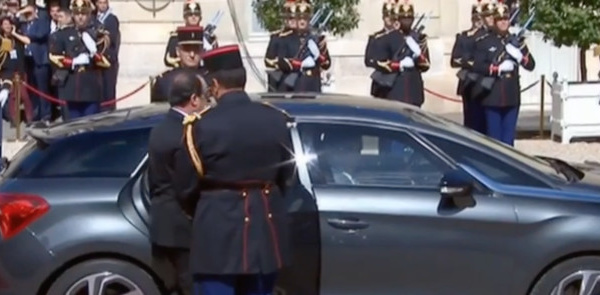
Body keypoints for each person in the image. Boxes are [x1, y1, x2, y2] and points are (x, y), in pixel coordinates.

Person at [173, 44, 295, 295]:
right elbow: (287, 178)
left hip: (216, 235)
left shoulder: (200, 126)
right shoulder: (276, 119)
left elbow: (185, 188)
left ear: (214, 84)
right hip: (264, 232)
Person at [148, 69, 209, 295]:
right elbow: (189, 183)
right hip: (183, 224)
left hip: (162, 223)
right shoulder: (188, 132)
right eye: (204, 98)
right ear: (194, 99)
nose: (205, 103)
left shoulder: (160, 128)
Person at [471, 0, 535, 145]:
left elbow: (531, 65)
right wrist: (497, 68)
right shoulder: (485, 41)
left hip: (512, 95)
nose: (503, 22)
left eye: (505, 19)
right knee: (494, 141)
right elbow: (478, 66)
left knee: (509, 141)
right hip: (492, 96)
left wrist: (520, 56)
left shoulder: (516, 41)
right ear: (494, 21)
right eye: (500, 19)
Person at [48, 0, 110, 120]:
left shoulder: (98, 35)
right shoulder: (63, 35)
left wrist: (94, 53)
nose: (80, 17)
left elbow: (107, 62)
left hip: (91, 88)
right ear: (73, 15)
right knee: (71, 129)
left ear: (89, 15)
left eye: (84, 14)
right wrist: (74, 62)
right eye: (77, 14)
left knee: (91, 128)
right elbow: (53, 57)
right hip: (71, 88)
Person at [372, 0, 430, 107]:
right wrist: (400, 64)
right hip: (395, 90)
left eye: (409, 18)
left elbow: (426, 65)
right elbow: (381, 63)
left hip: (414, 91)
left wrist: (419, 55)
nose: (407, 21)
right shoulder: (389, 38)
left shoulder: (419, 38)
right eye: (404, 18)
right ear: (398, 19)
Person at [275, 0, 331, 92]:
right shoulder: (286, 39)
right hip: (296, 84)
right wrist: (299, 64)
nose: (302, 22)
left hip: (313, 84)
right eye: (299, 18)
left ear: (309, 20)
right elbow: (282, 62)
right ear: (296, 20)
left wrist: (321, 52)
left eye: (305, 19)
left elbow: (326, 64)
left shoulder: (316, 39)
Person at [450, 0, 485, 132]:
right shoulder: (463, 37)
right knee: (469, 119)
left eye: (481, 18)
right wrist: (468, 61)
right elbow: (454, 60)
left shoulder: (486, 37)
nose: (478, 21)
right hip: (467, 83)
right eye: (476, 18)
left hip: (481, 82)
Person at [151, 26, 205, 103]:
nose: (192, 54)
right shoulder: (164, 81)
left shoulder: (211, 78)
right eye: (187, 49)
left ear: (202, 50)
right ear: (177, 51)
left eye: (196, 49)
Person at [163, 0, 218, 68]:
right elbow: (168, 60)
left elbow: (216, 60)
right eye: (190, 14)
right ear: (185, 18)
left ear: (200, 18)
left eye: (196, 14)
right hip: (183, 73)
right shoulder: (176, 37)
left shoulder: (210, 38)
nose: (193, 17)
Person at [21, 4, 51, 122]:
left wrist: (25, 36)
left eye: (30, 13)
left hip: (40, 61)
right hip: (29, 61)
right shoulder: (23, 25)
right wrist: (20, 13)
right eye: (26, 14)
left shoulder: (42, 22)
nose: (27, 16)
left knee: (42, 89)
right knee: (32, 90)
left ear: (35, 12)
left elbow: (40, 35)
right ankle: (36, 114)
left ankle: (46, 115)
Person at [0, 15, 32, 125]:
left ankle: (29, 118)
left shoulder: (17, 37)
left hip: (20, 70)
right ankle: (14, 120)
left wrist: (14, 33)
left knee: (24, 95)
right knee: (12, 96)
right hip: (6, 71)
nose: (7, 26)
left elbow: (28, 41)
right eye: (5, 24)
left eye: (9, 24)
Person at [365, 0, 398, 99]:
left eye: (391, 16)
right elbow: (368, 60)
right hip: (380, 84)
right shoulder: (376, 37)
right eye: (386, 16)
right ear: (383, 17)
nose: (389, 19)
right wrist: (381, 64)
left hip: (396, 84)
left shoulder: (399, 37)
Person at [263, 0, 296, 92]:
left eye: (293, 18)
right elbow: (268, 60)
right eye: (289, 18)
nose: (291, 21)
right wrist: (281, 63)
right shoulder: (277, 37)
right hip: (281, 83)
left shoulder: (304, 37)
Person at [96, 0, 120, 111]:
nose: (102, 5)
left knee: (109, 89)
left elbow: (111, 37)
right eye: (100, 3)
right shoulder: (93, 18)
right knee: (99, 90)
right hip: (96, 59)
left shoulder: (111, 19)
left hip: (108, 59)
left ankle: (110, 112)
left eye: (104, 3)